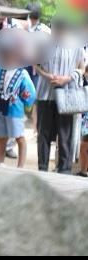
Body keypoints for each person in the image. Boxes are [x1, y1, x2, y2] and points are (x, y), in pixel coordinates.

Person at [35, 19, 84, 173]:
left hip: (66, 96)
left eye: (61, 28)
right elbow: (35, 63)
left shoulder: (75, 44)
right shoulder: (43, 44)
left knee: (65, 134)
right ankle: (42, 167)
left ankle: (64, 169)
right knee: (43, 133)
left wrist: (67, 78)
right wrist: (46, 75)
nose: (58, 32)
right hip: (45, 94)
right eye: (56, 28)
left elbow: (82, 67)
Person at [0, 44, 36, 168]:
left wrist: (26, 104)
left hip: (15, 109)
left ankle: (20, 166)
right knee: (1, 138)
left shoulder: (22, 73)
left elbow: (30, 92)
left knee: (19, 137)